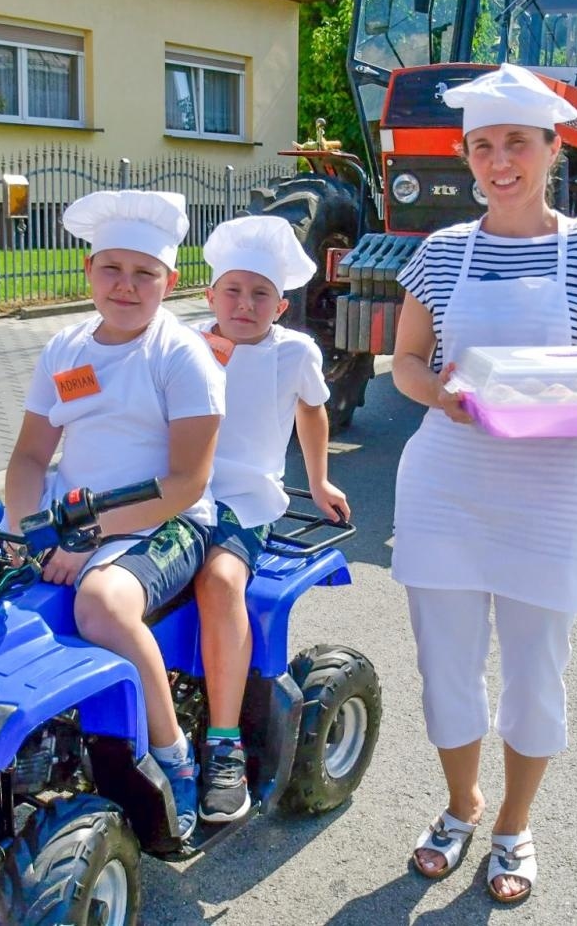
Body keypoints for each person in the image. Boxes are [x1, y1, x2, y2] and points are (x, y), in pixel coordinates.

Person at [0, 190, 226, 839]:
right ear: (88, 272)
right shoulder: (67, 350)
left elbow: (186, 483)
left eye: (145, 274)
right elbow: (29, 457)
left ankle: (171, 759)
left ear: (171, 281)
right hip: (71, 508)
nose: (127, 287)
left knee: (102, 604)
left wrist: (87, 537)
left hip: (163, 519)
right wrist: (29, 530)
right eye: (112, 269)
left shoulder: (181, 356)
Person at [390, 64, 577, 904]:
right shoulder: (442, 251)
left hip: (549, 488)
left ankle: (514, 826)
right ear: (468, 157)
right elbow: (407, 367)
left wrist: (540, 401)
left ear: (552, 151)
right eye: (485, 146)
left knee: (536, 674)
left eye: (518, 145)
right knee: (446, 670)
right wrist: (444, 395)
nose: (501, 161)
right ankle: (462, 806)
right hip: (445, 482)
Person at [189, 215, 350, 824]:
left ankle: (224, 743)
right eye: (232, 290)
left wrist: (317, 479)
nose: (244, 304)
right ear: (209, 296)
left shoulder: (295, 353)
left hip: (244, 503)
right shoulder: (184, 343)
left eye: (260, 294)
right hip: (178, 494)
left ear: (281, 305)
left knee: (222, 581)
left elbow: (312, 413)